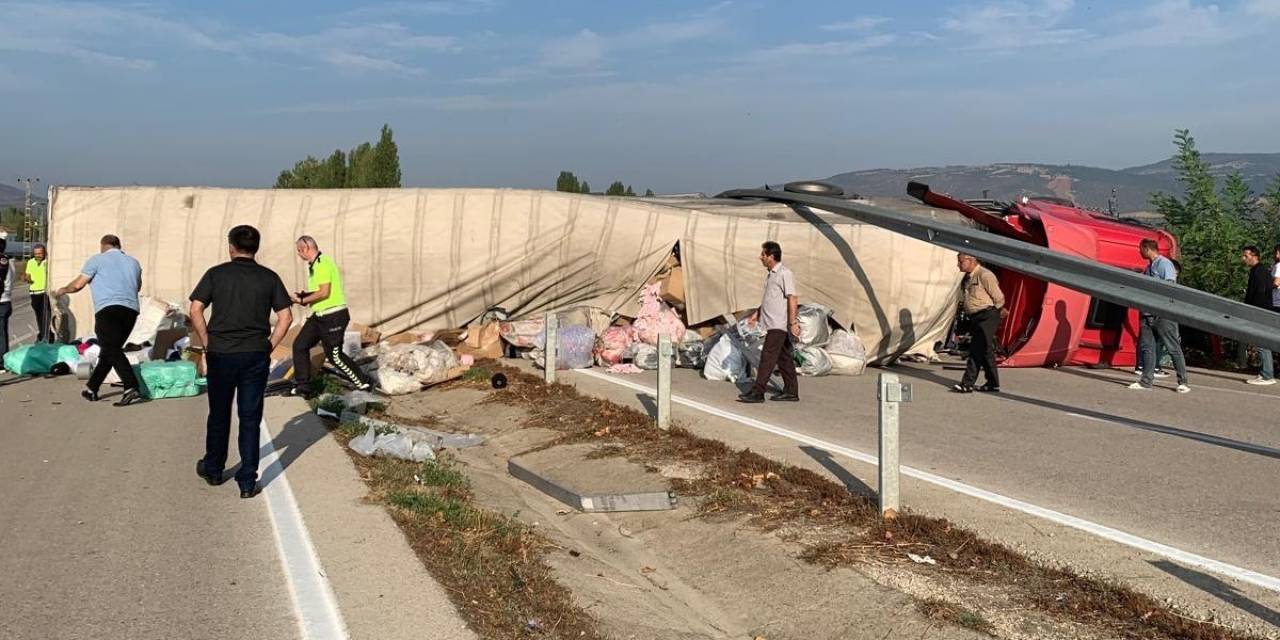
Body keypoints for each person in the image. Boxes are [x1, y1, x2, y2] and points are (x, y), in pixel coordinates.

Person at [189, 225, 293, 499]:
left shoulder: (216, 274)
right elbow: (286, 317)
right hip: (255, 353)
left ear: (231, 247)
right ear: (256, 248)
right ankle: (247, 480)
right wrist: (269, 345)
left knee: (219, 413)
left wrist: (207, 340)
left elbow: (196, 309)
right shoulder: (269, 277)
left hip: (221, 352)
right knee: (249, 416)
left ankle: (213, 468)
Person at [54, 234, 145, 406]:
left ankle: (131, 386)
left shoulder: (97, 260)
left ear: (103, 246)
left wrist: (63, 290)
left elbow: (78, 285)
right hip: (131, 311)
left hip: (108, 309)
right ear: (118, 246)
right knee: (110, 350)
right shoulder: (134, 262)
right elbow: (137, 286)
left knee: (111, 348)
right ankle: (92, 388)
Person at [290, 236, 372, 396]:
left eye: (299, 251)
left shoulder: (323, 263)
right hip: (319, 316)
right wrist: (304, 296)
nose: (299, 255)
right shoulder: (313, 266)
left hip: (333, 316)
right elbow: (318, 291)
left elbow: (324, 292)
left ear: (305, 248)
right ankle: (304, 386)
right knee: (300, 345)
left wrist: (303, 300)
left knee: (334, 356)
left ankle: (363, 382)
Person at [737, 241, 799, 403]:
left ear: (771, 256)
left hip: (778, 324)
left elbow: (792, 298)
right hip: (771, 323)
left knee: (767, 357)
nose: (760, 257)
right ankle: (791, 391)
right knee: (784, 358)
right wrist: (756, 314)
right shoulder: (771, 274)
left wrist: (793, 323)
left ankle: (758, 392)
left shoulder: (785, 273)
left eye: (763, 254)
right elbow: (770, 299)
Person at [1129, 239, 1190, 393]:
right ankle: (1146, 381)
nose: (1139, 252)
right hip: (1147, 313)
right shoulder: (1149, 267)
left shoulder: (1164, 264)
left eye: (1140, 249)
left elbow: (1169, 286)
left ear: (1147, 248)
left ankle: (1183, 382)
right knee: (1147, 348)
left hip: (1162, 314)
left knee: (1173, 347)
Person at [952, 253, 1007, 393]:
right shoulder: (967, 277)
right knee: (985, 350)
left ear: (971, 260)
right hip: (975, 317)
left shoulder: (985, 275)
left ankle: (967, 384)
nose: (958, 265)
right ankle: (993, 383)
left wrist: (994, 313)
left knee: (976, 349)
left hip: (987, 315)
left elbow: (999, 298)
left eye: (961, 262)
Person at [1241, 245, 1277, 386]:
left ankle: (1267, 375)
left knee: (1262, 343)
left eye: (1246, 256)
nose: (1243, 258)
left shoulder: (1259, 271)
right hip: (1261, 310)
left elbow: (1261, 293)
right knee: (1261, 343)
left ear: (1254, 256)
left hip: (1260, 311)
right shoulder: (1257, 270)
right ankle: (1264, 373)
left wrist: (1253, 311)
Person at [23, 244, 52, 342]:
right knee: (39, 316)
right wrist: (27, 279)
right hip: (34, 293)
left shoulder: (47, 262)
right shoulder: (30, 262)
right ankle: (43, 334)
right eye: (36, 254)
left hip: (44, 293)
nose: (38, 255)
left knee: (46, 316)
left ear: (44, 253)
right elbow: (27, 275)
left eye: (40, 253)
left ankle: (46, 336)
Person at [0, 238, 11, 372]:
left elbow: (6, 283)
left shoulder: (4, 261)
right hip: (5, 300)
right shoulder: (7, 260)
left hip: (2, 301)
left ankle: (2, 362)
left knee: (1, 333)